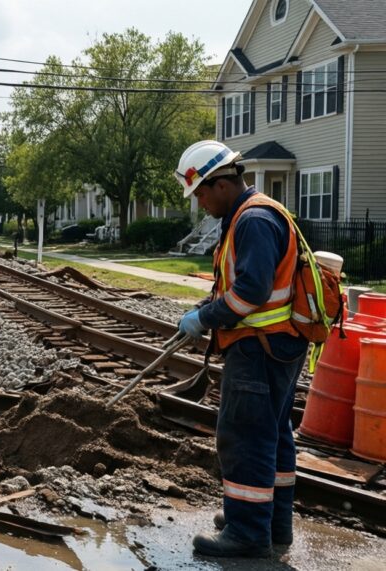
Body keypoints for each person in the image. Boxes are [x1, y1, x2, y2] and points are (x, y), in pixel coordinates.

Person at [174, 141, 308, 558]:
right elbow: (243, 284)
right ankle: (271, 525)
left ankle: (247, 532)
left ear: (221, 182)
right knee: (274, 435)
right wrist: (207, 308)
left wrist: (206, 319)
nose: (200, 203)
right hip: (278, 345)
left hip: (259, 346)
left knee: (244, 436)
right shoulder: (256, 213)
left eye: (200, 192)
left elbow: (251, 292)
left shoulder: (252, 220)